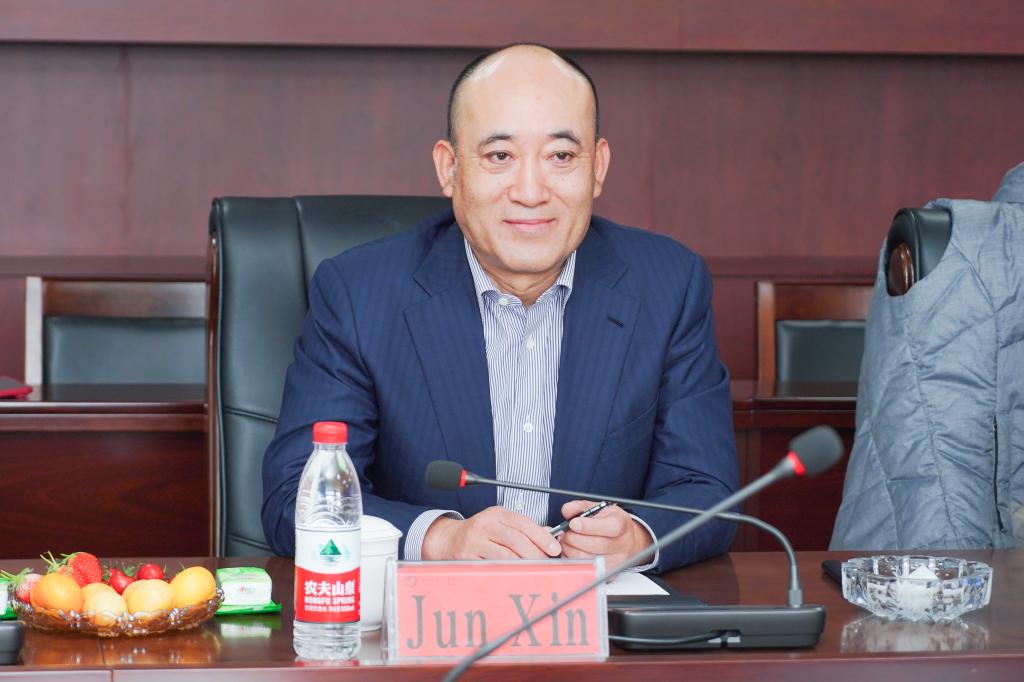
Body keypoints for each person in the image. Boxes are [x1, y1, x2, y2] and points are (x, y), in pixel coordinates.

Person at [262, 43, 738, 573]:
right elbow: (296, 498)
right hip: (434, 619)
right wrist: (441, 539)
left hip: (600, 617)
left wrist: (638, 538)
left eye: (561, 157)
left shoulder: (667, 286)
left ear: (598, 167)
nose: (531, 191)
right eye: (499, 157)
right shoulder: (360, 294)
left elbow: (706, 489)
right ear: (449, 168)